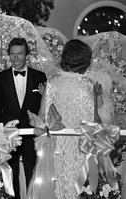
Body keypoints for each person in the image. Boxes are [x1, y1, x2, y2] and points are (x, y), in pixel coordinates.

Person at [31, 39, 98, 199]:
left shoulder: (53, 81)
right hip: (81, 145)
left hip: (56, 145)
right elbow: (95, 119)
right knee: (79, 187)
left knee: (57, 186)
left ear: (64, 58)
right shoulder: (89, 84)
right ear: (86, 61)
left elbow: (41, 115)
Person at [0, 38, 47, 199]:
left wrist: (45, 96)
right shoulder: (0, 78)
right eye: (12, 54)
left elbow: (47, 107)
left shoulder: (40, 76)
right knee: (10, 174)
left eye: (19, 54)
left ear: (27, 55)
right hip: (9, 134)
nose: (15, 58)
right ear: (8, 55)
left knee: (33, 172)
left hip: (32, 133)